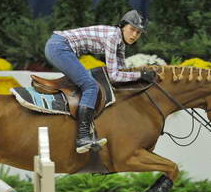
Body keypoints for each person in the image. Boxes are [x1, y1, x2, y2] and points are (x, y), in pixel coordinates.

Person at [44, 10, 157, 154]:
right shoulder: (112, 38)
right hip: (59, 47)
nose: (134, 35)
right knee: (91, 86)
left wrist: (140, 76)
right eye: (132, 29)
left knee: (91, 83)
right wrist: (140, 75)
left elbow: (123, 71)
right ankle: (83, 137)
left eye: (139, 32)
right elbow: (114, 76)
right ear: (123, 26)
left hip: (60, 45)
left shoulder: (120, 43)